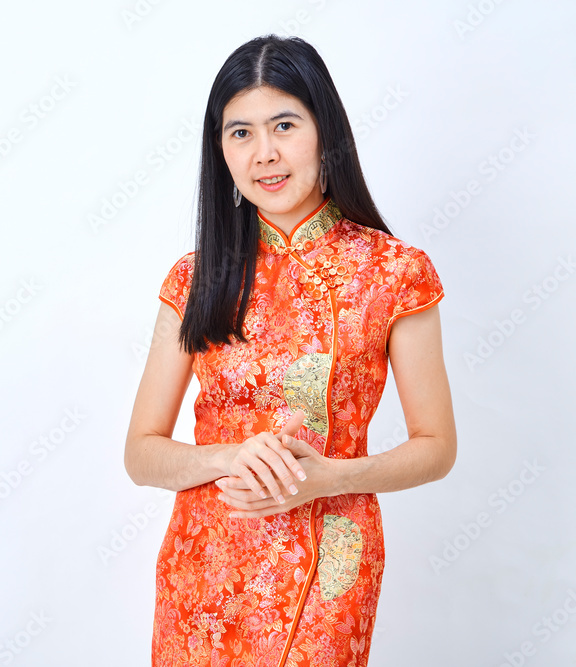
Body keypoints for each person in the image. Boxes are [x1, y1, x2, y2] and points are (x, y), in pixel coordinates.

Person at [124, 34, 456, 666]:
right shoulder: (195, 278)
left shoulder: (394, 272)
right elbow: (141, 453)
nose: (265, 154)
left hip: (329, 561)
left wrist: (330, 478)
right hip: (206, 568)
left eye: (284, 125)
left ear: (325, 131)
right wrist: (229, 457)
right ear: (220, 149)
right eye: (241, 133)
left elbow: (436, 447)